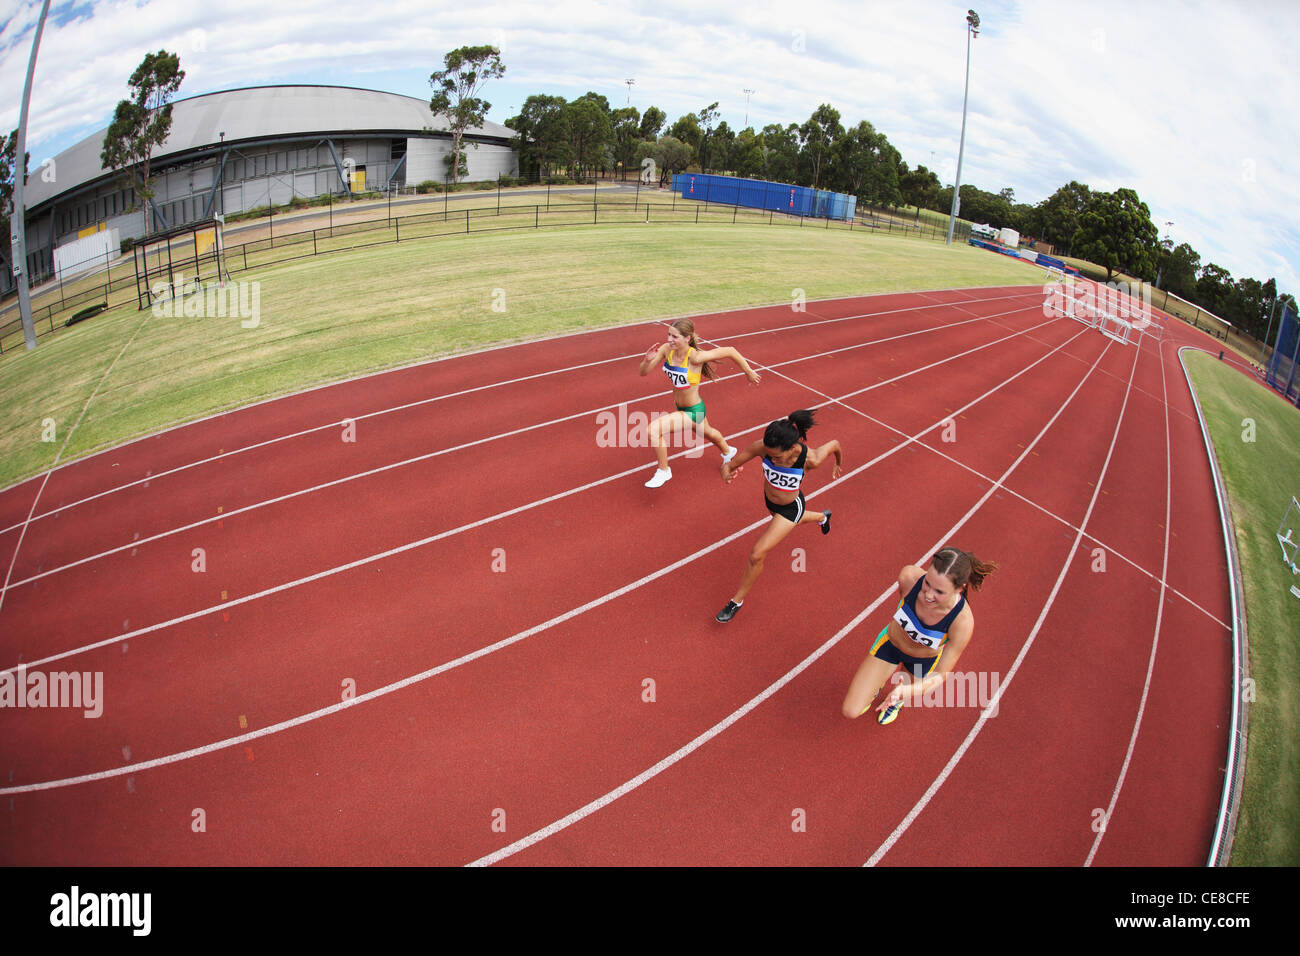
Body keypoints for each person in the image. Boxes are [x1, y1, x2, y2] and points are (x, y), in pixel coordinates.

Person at [840, 548, 997, 725]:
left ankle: (897, 702)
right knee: (850, 711)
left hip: (922, 663)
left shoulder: (962, 623)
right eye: (927, 583)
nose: (928, 595)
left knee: (904, 690)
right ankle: (877, 682)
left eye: (939, 592)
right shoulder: (909, 578)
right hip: (890, 645)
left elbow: (939, 675)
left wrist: (905, 692)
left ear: (960, 589)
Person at [715, 409, 841, 622]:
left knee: (757, 554)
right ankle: (822, 517)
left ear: (792, 448)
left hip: (791, 507)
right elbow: (730, 465)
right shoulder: (762, 447)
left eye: (776, 456)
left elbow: (835, 443)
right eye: (769, 454)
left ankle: (736, 602)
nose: (771, 458)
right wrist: (726, 473)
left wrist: (838, 462)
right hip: (770, 502)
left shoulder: (811, 459)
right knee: (791, 523)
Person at [638, 318, 761, 488]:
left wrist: (748, 371)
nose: (669, 340)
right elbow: (643, 373)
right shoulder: (667, 350)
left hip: (693, 411)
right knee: (707, 433)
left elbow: (731, 351)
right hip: (682, 407)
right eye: (668, 335)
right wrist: (646, 360)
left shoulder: (696, 357)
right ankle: (728, 451)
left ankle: (664, 470)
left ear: (687, 338)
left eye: (675, 337)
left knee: (653, 430)